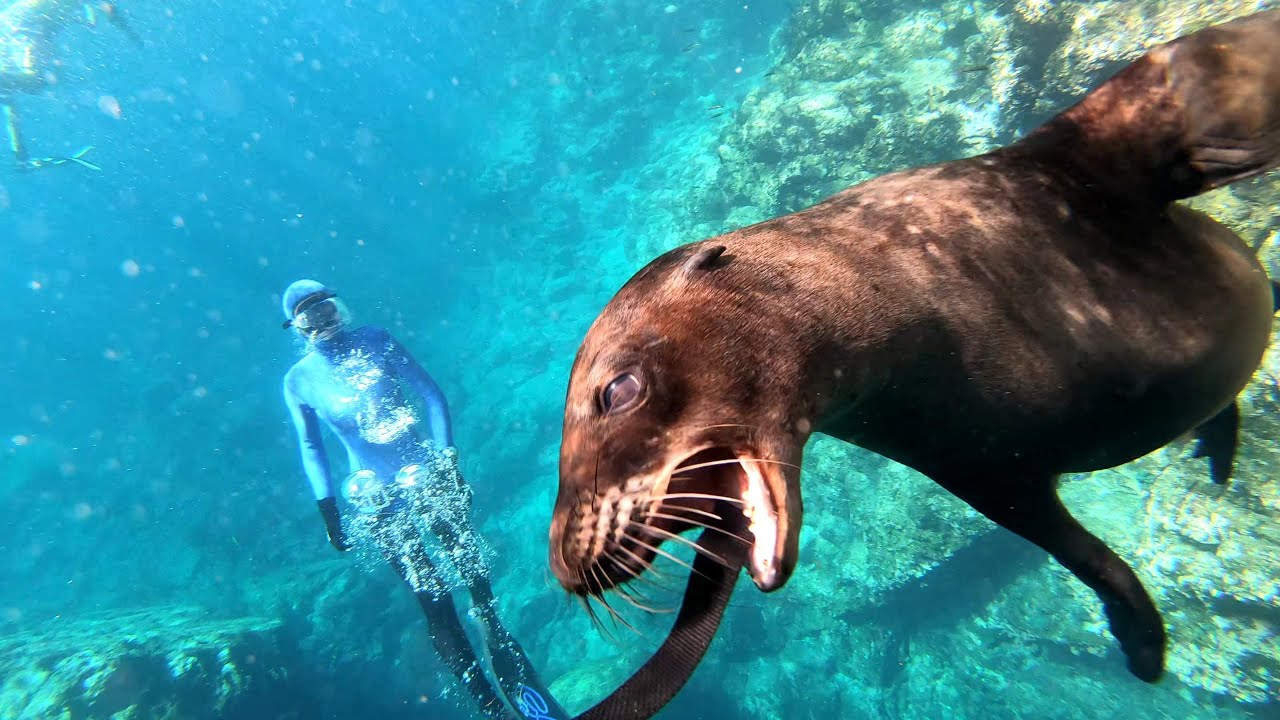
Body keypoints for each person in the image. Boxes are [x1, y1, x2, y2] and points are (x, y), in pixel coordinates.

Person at [279, 279, 566, 720]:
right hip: (375, 497)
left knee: (473, 577)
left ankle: (496, 637)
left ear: (340, 307)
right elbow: (311, 447)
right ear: (296, 328)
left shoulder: (376, 339)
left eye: (327, 309)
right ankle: (491, 707)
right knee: (432, 599)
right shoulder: (298, 381)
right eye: (309, 317)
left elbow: (431, 394)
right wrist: (328, 507)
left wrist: (448, 458)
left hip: (425, 473)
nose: (323, 322)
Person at [0, 1, 141, 171]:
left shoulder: (23, 35)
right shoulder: (17, 60)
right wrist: (21, 157)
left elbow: (12, 113)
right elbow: (12, 116)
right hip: (31, 31)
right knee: (39, 78)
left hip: (30, 28)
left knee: (39, 78)